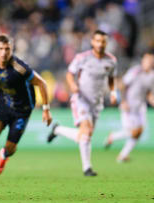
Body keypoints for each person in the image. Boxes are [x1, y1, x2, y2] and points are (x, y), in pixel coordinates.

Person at [0, 34, 52, 184]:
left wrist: (46, 109)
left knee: (10, 148)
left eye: (7, 49)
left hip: (22, 110)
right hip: (3, 104)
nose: (4, 52)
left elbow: (41, 83)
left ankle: (4, 155)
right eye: (1, 49)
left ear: (12, 49)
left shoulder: (20, 68)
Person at [47, 30, 117, 176]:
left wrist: (113, 92)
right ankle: (87, 168)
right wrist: (72, 85)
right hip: (81, 99)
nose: (100, 44)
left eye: (103, 41)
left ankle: (58, 130)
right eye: (97, 41)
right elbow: (69, 73)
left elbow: (111, 78)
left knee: (84, 136)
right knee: (87, 131)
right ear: (92, 42)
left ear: (106, 43)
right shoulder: (82, 58)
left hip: (97, 102)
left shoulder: (111, 60)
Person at [104, 51, 154, 162]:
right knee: (134, 131)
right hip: (129, 106)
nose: (149, 63)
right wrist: (123, 101)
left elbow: (149, 93)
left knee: (139, 132)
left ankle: (122, 155)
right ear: (143, 61)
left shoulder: (152, 76)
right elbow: (122, 85)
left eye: (151, 61)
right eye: (148, 60)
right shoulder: (135, 71)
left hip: (140, 107)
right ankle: (114, 137)